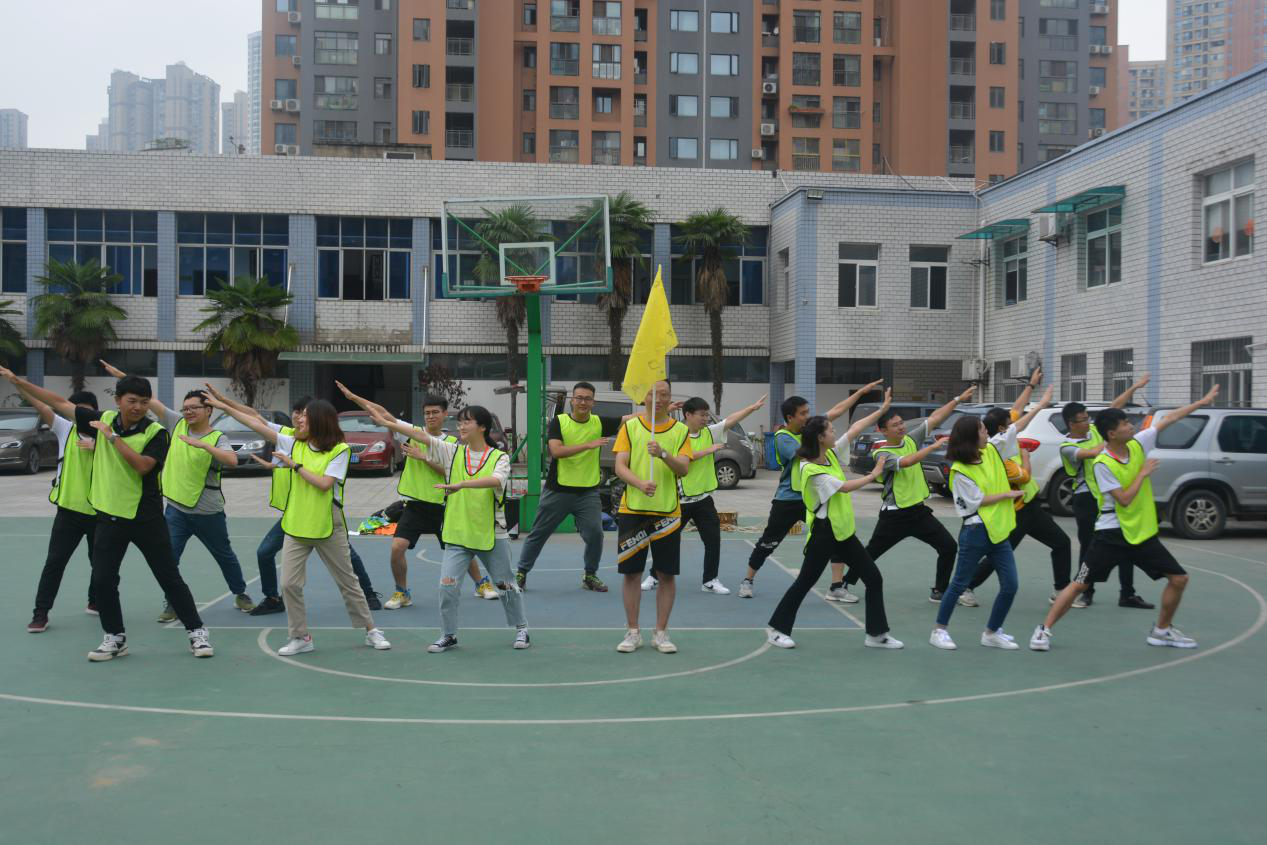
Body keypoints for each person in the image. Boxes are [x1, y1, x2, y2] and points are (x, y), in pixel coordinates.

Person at [9, 372, 214, 660]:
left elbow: (142, 466)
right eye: (132, 401)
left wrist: (112, 439)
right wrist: (18, 382)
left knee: (168, 576)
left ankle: (196, 632)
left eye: (144, 402)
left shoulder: (156, 433)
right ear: (118, 401)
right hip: (109, 517)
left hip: (145, 518)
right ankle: (115, 637)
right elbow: (57, 402)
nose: (139, 407)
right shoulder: (102, 419)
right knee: (103, 580)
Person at [1030, 387, 1220, 652]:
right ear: (1112, 433)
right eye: (1124, 424)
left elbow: (1170, 418)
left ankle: (1161, 631)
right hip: (1110, 535)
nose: (1131, 426)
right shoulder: (1103, 463)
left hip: (1140, 534)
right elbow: (1124, 499)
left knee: (1179, 578)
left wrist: (1202, 402)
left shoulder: (1138, 443)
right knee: (1078, 584)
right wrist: (1142, 474)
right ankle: (1043, 630)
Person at [204, 395, 391, 655]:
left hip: (327, 524)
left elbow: (324, 484)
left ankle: (371, 630)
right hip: (296, 523)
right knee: (289, 584)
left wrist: (295, 466)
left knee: (348, 582)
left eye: (305, 416)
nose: (299, 419)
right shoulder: (292, 442)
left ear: (320, 421)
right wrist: (225, 407)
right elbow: (256, 423)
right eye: (300, 415)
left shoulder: (339, 450)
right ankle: (300, 637)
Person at [99, 363, 256, 619]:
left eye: (194, 408)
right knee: (169, 559)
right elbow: (150, 401)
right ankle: (172, 602)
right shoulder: (176, 423)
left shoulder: (218, 438)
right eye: (185, 408)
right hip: (176, 510)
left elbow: (232, 461)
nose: (188, 412)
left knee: (224, 555)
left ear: (209, 410)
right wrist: (122, 375)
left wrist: (203, 446)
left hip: (208, 512)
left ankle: (240, 592)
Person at [371, 404, 529, 653]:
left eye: (467, 422)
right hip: (457, 532)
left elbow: (496, 480)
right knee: (447, 586)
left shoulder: (500, 457)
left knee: (505, 585)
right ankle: (448, 634)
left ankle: (521, 627)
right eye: (460, 422)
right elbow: (420, 435)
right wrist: (387, 422)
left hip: (490, 532)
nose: (461, 426)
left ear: (482, 427)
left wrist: (462, 484)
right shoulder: (453, 452)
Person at [335, 383, 495, 607]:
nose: (430, 416)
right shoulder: (411, 434)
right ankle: (402, 592)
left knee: (461, 548)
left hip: (443, 506)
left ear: (444, 414)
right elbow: (384, 414)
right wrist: (354, 397)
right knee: (396, 548)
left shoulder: (452, 444)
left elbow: (450, 472)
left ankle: (481, 584)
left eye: (435, 412)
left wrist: (423, 458)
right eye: (427, 413)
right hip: (415, 506)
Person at [766, 407, 905, 651]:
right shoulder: (810, 469)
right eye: (831, 431)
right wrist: (874, 473)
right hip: (823, 534)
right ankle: (777, 630)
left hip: (843, 533)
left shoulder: (829, 454)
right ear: (820, 438)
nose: (835, 433)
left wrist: (881, 410)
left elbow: (854, 429)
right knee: (805, 582)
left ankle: (876, 634)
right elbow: (844, 487)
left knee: (873, 578)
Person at [739, 380, 883, 599]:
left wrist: (861, 392)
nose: (808, 416)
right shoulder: (783, 437)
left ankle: (836, 587)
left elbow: (837, 410)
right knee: (770, 540)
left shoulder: (812, 430)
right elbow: (807, 452)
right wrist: (822, 435)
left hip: (817, 496)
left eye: (808, 412)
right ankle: (748, 580)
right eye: (803, 413)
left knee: (836, 535)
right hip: (789, 498)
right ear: (790, 418)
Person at [839, 385, 976, 604]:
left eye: (901, 422)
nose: (901, 427)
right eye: (895, 425)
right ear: (883, 431)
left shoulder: (911, 439)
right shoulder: (882, 453)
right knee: (871, 553)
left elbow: (935, 417)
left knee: (948, 546)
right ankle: (844, 583)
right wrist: (932, 447)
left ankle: (939, 591)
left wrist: (958, 399)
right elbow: (906, 462)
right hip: (894, 515)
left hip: (918, 513)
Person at [3, 368, 100, 632]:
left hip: (100, 511)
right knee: (55, 563)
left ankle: (95, 601)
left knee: (101, 564)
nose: (82, 416)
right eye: (77, 411)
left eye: (87, 411)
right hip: (68, 511)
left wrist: (101, 446)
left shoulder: (107, 434)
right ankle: (41, 613)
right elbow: (41, 404)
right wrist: (17, 383)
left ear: (96, 413)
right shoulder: (65, 427)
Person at [514, 381, 635, 593]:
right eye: (579, 398)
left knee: (595, 534)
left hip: (587, 492)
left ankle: (590, 575)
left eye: (588, 399)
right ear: (572, 401)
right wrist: (588, 445)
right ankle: (521, 573)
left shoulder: (598, 422)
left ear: (593, 402)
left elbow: (629, 419)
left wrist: (658, 409)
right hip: (558, 490)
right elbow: (556, 451)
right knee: (538, 533)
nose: (583, 402)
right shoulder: (559, 422)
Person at [961, 373, 1069, 607]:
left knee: (1061, 542)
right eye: (1008, 423)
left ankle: (1061, 590)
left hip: (1030, 506)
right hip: (1015, 511)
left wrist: (1030, 385)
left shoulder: (1001, 436)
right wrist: (1041, 404)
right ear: (1002, 428)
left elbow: (1017, 410)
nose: (1012, 424)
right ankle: (965, 587)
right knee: (999, 554)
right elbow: (1021, 424)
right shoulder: (996, 446)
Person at [641, 393, 766, 596]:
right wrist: (708, 451)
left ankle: (709, 580)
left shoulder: (709, 432)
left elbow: (730, 420)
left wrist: (752, 407)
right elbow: (679, 460)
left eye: (707, 414)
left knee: (713, 541)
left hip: (703, 500)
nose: (706, 418)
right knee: (666, 542)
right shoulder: (676, 434)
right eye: (702, 414)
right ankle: (654, 576)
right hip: (679, 500)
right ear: (688, 415)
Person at [1058, 372, 1155, 610]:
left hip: (1108, 496)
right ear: (1071, 423)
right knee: (1089, 548)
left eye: (1089, 418)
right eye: (1083, 419)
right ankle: (1085, 592)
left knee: (1127, 543)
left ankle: (1127, 594)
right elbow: (1092, 453)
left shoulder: (1094, 431)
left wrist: (1135, 387)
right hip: (1086, 499)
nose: (1088, 422)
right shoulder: (1067, 446)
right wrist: (1114, 438)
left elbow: (1114, 406)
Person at [931, 415, 1026, 651]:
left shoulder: (991, 450)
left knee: (1011, 585)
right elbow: (976, 501)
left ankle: (992, 632)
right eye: (983, 430)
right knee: (959, 583)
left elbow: (1014, 428)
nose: (987, 433)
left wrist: (1041, 403)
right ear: (972, 437)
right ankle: (939, 630)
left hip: (998, 532)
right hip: (976, 532)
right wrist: (1007, 494)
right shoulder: (960, 470)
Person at [613, 379, 693, 654]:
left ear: (670, 398)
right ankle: (633, 632)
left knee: (666, 574)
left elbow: (683, 468)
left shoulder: (681, 430)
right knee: (631, 574)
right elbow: (620, 465)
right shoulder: (630, 427)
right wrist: (639, 484)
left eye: (664, 394)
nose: (658, 398)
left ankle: (661, 633)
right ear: (643, 397)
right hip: (633, 510)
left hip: (667, 512)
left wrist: (663, 453)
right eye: (652, 393)